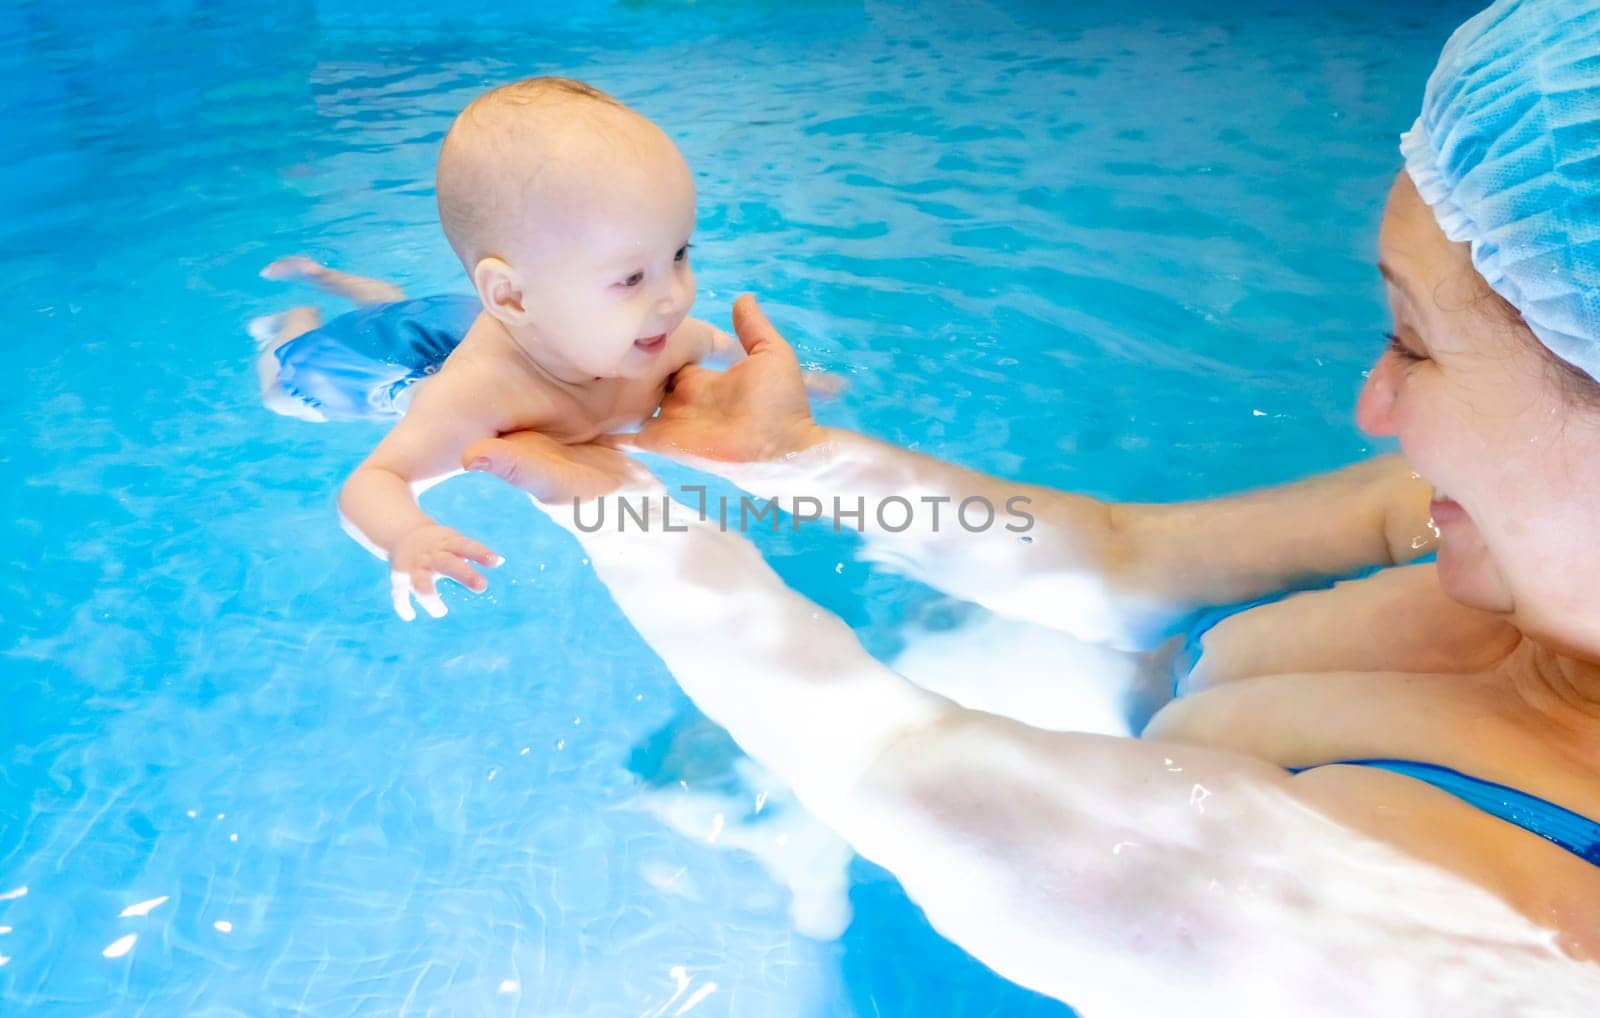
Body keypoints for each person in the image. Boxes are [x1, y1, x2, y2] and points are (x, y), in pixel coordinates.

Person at [468, 0, 1600, 1012]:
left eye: (1414, 343)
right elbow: (1126, 564)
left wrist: (622, 518)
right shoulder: (1501, 521)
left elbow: (886, 764)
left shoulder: (1455, 934)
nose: (1372, 402)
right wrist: (797, 461)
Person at [254, 76, 743, 621]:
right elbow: (372, 482)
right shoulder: (476, 399)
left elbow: (719, 343)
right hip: (368, 365)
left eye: (679, 254)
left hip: (453, 322)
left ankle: (339, 282)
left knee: (394, 307)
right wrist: (408, 536)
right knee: (279, 387)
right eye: (632, 279)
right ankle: (295, 320)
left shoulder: (657, 332)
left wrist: (780, 377)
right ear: (511, 296)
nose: (675, 297)